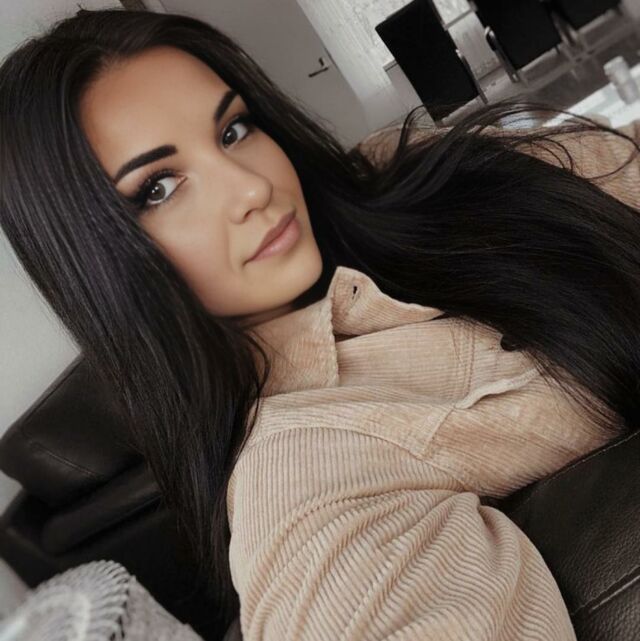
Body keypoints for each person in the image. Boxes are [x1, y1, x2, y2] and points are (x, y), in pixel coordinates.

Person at [0, 7, 639, 641]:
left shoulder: (395, 166)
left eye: (233, 130)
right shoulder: (301, 473)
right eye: (158, 189)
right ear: (99, 264)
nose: (252, 189)